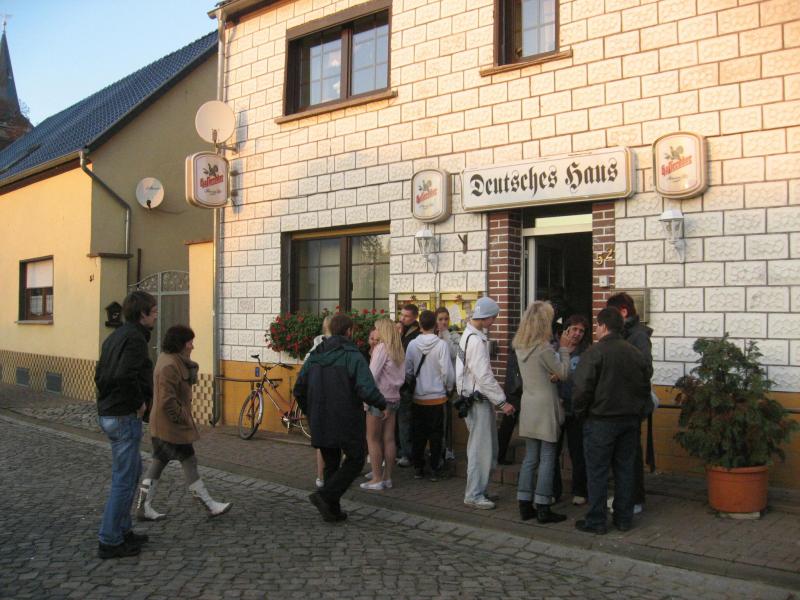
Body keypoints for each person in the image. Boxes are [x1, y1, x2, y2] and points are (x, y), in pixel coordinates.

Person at [294, 314, 386, 522]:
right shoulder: (353, 356)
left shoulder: (315, 355)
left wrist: (310, 411)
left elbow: (298, 389)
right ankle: (326, 496)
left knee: (331, 463)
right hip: (346, 418)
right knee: (356, 459)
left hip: (321, 418)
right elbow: (366, 388)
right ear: (349, 331)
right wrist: (382, 404)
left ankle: (332, 510)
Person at [136, 326, 231, 522]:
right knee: (188, 460)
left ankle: (143, 506)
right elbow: (167, 401)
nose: (192, 346)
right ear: (180, 344)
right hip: (170, 426)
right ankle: (208, 504)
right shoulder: (169, 365)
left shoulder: (173, 360)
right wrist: (183, 418)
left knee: (159, 462)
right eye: (189, 342)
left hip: (165, 425)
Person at [572, 307, 653, 535]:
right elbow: (645, 385)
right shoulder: (634, 352)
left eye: (597, 326)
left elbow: (581, 388)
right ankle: (624, 518)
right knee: (625, 470)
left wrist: (581, 413)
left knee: (597, 472)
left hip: (601, 420)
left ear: (603, 326)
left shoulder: (595, 352)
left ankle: (596, 520)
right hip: (629, 420)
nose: (596, 330)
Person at [94, 291, 157, 559]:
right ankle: (110, 539)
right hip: (122, 415)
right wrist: (138, 402)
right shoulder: (134, 339)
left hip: (110, 412)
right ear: (142, 314)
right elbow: (123, 375)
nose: (156, 316)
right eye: (153, 311)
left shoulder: (115, 336)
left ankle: (123, 530)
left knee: (132, 472)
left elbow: (99, 374)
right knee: (124, 478)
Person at [513, 301, 573, 524]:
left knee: (530, 457)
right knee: (548, 457)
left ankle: (524, 503)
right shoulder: (544, 348)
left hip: (529, 403)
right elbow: (564, 373)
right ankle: (543, 506)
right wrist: (564, 349)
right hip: (546, 406)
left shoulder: (520, 346)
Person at [457, 297, 515, 510]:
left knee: (482, 448)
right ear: (488, 317)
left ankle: (479, 489)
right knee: (481, 449)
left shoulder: (468, 336)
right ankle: (474, 494)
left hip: (471, 399)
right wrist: (502, 402)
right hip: (477, 401)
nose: (495, 321)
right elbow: (484, 376)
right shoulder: (476, 341)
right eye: (494, 317)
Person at [606, 292, 653, 514]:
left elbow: (645, 369)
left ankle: (634, 500)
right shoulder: (625, 333)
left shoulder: (638, 336)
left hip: (631, 402)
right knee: (623, 455)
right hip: (621, 401)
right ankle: (626, 496)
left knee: (631, 455)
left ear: (623, 312)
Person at [405, 310, 455, 481]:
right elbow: (447, 371)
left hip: (418, 397)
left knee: (418, 434)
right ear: (435, 325)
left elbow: (408, 370)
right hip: (437, 397)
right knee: (436, 434)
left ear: (420, 325)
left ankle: (418, 468)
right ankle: (434, 467)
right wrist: (448, 388)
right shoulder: (441, 345)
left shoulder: (412, 345)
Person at [360, 318, 405, 491]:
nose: (375, 331)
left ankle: (377, 478)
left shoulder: (381, 348)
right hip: (394, 398)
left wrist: (365, 397)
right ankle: (387, 477)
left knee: (372, 439)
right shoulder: (398, 350)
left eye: (377, 328)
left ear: (383, 331)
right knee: (389, 438)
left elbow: (371, 376)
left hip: (378, 399)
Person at [553, 315, 591, 506]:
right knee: (553, 451)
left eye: (581, 331)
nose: (577, 334)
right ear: (565, 330)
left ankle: (580, 490)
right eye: (574, 329)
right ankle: (554, 491)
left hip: (577, 410)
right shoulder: (554, 351)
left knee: (578, 451)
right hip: (556, 407)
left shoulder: (586, 353)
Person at [306, 315, 333, 489]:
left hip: (319, 399)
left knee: (322, 443)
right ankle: (329, 477)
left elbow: (303, 378)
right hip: (333, 400)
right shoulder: (343, 348)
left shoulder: (316, 347)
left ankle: (321, 477)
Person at [397, 304, 421, 467]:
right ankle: (401, 450)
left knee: (406, 420)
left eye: (406, 316)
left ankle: (407, 453)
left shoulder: (416, 335)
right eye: (401, 315)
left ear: (414, 318)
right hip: (398, 383)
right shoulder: (401, 330)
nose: (402, 318)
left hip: (408, 383)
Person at [497, 351, 521, 465]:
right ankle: (499, 455)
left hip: (513, 391)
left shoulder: (515, 352)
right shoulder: (519, 353)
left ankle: (499, 455)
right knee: (508, 424)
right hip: (516, 392)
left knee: (507, 425)